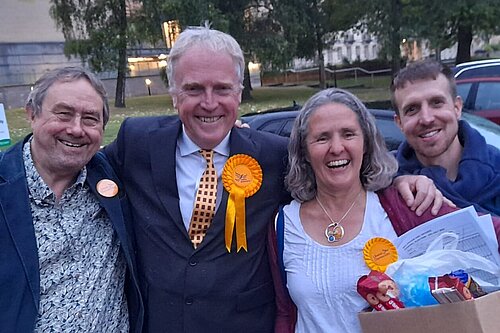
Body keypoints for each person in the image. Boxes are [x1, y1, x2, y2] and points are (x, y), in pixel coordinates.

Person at [104, 26, 446, 332]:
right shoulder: (138, 140)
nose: (209, 103)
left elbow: (341, 165)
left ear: (239, 92)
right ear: (174, 92)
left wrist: (403, 180)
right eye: (194, 89)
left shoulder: (273, 155)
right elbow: (86, 167)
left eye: (222, 88)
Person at [270, 88, 479, 332]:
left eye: (348, 134)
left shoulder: (405, 205)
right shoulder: (283, 224)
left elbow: (488, 235)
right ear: (304, 151)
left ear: (366, 143)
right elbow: (285, 313)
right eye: (322, 138)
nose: (336, 148)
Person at [0, 67, 143, 332]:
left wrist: (231, 131)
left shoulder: (110, 174)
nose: (76, 129)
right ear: (32, 113)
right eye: (63, 114)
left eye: (90, 118)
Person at [391, 59, 500, 216]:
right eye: (412, 109)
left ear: (457, 108)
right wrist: (396, 181)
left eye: (436, 103)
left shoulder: (497, 168)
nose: (426, 119)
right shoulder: (384, 182)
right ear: (399, 122)